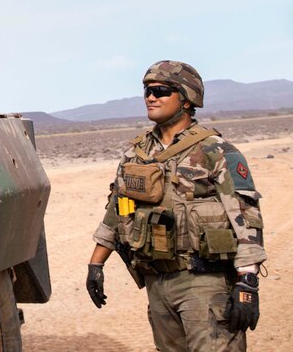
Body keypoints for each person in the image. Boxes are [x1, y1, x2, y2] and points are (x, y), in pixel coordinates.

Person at [86, 61, 265, 351]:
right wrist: (96, 264)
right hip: (157, 282)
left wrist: (247, 283)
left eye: (161, 91)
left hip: (205, 283)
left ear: (186, 98)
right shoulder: (137, 152)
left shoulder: (215, 150)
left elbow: (246, 216)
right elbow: (118, 209)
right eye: (147, 90)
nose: (150, 97)